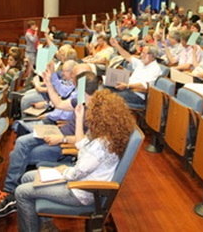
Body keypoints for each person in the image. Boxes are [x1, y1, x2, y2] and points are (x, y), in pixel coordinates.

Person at [15, 89, 136, 232]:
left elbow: (76, 173)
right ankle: (46, 225)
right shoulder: (109, 137)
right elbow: (81, 144)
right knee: (27, 177)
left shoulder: (100, 146)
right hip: (80, 182)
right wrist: (79, 117)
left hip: (80, 191)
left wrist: (62, 170)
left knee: (21, 192)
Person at [0, 70, 98, 218]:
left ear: (81, 87)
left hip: (65, 144)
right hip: (57, 132)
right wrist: (48, 83)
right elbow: (58, 103)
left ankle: (10, 193)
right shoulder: (80, 99)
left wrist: (62, 139)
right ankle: (10, 191)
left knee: (17, 153)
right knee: (21, 143)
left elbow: (86, 141)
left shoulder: (96, 112)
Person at [108, 37, 162, 108]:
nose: (141, 55)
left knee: (110, 98)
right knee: (106, 88)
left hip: (137, 94)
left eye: (143, 53)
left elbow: (144, 86)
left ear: (151, 55)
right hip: (128, 88)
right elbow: (128, 56)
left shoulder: (155, 69)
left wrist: (127, 85)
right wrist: (116, 45)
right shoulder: (142, 62)